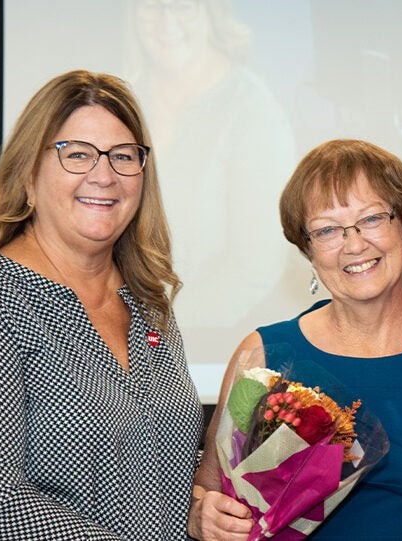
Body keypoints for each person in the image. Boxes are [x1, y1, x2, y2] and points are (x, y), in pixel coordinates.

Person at [0, 70, 203, 540]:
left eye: (123, 157)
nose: (103, 175)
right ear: (27, 175)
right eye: (76, 154)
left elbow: (148, 463)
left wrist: (201, 508)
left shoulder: (148, 303)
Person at [188, 139, 402, 540]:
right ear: (308, 250)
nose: (354, 244)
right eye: (327, 230)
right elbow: (210, 488)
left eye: (372, 219)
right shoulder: (266, 356)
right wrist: (206, 515)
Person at [128, 0, 297, 339]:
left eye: (182, 7)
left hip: (204, 344)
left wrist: (152, 328)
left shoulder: (252, 111)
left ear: (212, 12)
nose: (166, 21)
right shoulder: (125, 98)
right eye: (151, 6)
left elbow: (255, 267)